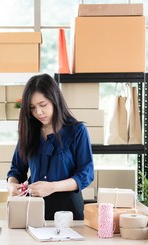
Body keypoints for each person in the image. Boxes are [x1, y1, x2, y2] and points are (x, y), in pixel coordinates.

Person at [7, 73, 94, 220]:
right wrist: (11, 186)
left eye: (43, 105)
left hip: (69, 212)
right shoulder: (29, 132)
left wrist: (52, 187)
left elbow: (85, 174)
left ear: (55, 100)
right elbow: (17, 170)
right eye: (32, 108)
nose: (38, 112)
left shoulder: (77, 131)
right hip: (34, 209)